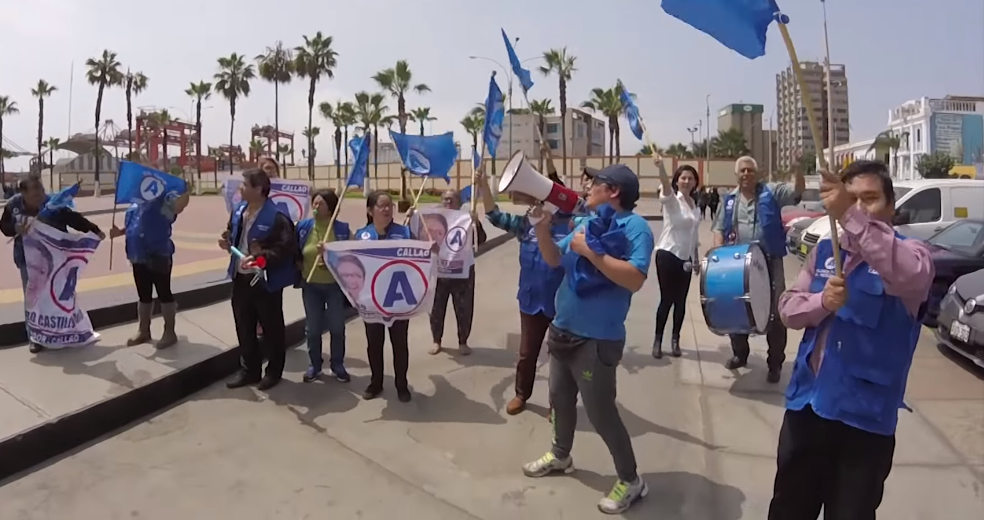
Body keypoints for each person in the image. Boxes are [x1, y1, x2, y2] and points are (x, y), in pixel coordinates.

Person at [768, 160, 933, 519]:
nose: (858, 208)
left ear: (891, 208)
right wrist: (820, 302)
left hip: (864, 422)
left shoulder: (914, 256)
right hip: (807, 409)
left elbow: (907, 276)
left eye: (869, 199)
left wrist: (850, 216)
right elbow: (788, 310)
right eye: (850, 199)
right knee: (788, 509)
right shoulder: (825, 254)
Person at [523, 163, 655, 515]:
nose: (588, 186)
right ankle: (561, 454)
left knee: (600, 413)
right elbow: (553, 259)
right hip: (563, 329)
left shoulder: (636, 228)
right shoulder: (583, 224)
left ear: (613, 191)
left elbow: (635, 279)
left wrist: (591, 252)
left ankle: (631, 479)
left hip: (597, 340)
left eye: (595, 182)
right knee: (559, 400)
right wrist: (541, 228)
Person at [475, 166, 571, 416]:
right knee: (527, 354)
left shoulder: (571, 226)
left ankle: (556, 404)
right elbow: (494, 216)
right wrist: (484, 186)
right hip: (530, 301)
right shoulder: (526, 224)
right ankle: (521, 394)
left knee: (560, 360)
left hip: (562, 304)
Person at [711, 155, 805, 383]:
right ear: (737, 175)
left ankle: (774, 363)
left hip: (769, 260)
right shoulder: (729, 200)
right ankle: (740, 354)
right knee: (736, 307)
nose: (746, 174)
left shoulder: (771, 192)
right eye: (742, 171)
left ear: (757, 173)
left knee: (775, 313)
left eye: (750, 170)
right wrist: (718, 255)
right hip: (738, 262)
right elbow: (718, 229)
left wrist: (799, 169)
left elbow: (796, 191)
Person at [0, 177, 105, 353]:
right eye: (34, 195)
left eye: (41, 192)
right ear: (23, 194)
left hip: (57, 260)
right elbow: (4, 226)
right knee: (33, 298)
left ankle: (64, 332)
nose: (39, 197)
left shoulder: (53, 203)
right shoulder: (13, 205)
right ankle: (35, 338)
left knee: (61, 295)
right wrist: (15, 228)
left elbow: (73, 219)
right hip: (28, 260)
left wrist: (94, 230)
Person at [219, 168, 297, 391]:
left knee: (272, 329)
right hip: (240, 278)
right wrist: (227, 241)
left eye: (245, 185)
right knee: (244, 326)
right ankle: (250, 370)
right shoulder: (239, 211)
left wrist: (262, 259)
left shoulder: (277, 217)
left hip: (264, 281)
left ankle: (273, 372)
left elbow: (285, 248)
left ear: (259, 189)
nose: (240, 189)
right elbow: (232, 234)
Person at [355, 190, 420, 402]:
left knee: (399, 344)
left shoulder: (404, 233)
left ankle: (401, 384)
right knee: (374, 344)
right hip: (372, 300)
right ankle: (376, 383)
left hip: (398, 299)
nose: (386, 209)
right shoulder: (361, 235)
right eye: (381, 205)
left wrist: (431, 250)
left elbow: (421, 257)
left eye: (389, 205)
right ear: (369, 210)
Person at [110, 189, 191, 349]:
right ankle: (144, 330)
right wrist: (119, 232)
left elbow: (179, 207)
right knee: (143, 294)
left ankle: (169, 332)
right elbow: (134, 225)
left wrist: (183, 190)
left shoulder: (163, 201)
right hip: (137, 255)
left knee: (164, 292)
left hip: (158, 254)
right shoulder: (134, 205)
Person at [295, 189, 351, 383]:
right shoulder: (303, 227)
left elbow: (350, 257)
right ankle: (314, 365)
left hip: (334, 287)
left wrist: (330, 254)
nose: (316, 207)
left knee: (337, 327)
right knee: (312, 328)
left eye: (321, 204)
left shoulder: (342, 230)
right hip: (310, 285)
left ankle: (338, 365)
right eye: (314, 203)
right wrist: (299, 262)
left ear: (331, 208)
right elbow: (295, 251)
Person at [427, 188, 487, 356]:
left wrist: (476, 224)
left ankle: (463, 341)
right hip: (439, 272)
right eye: (445, 199)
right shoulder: (433, 220)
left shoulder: (467, 219)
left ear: (459, 203)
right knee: (436, 308)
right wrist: (411, 218)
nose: (448, 202)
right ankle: (436, 340)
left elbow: (481, 240)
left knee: (464, 307)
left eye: (452, 199)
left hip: (463, 272)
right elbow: (418, 236)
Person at [652, 160, 701, 358]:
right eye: (683, 178)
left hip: (686, 259)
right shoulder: (673, 201)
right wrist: (661, 168)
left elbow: (694, 235)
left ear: (695, 182)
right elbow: (665, 185)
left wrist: (695, 258)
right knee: (667, 300)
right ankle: (657, 340)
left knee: (681, 302)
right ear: (677, 181)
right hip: (667, 254)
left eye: (690, 178)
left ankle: (675, 340)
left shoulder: (694, 205)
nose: (687, 181)